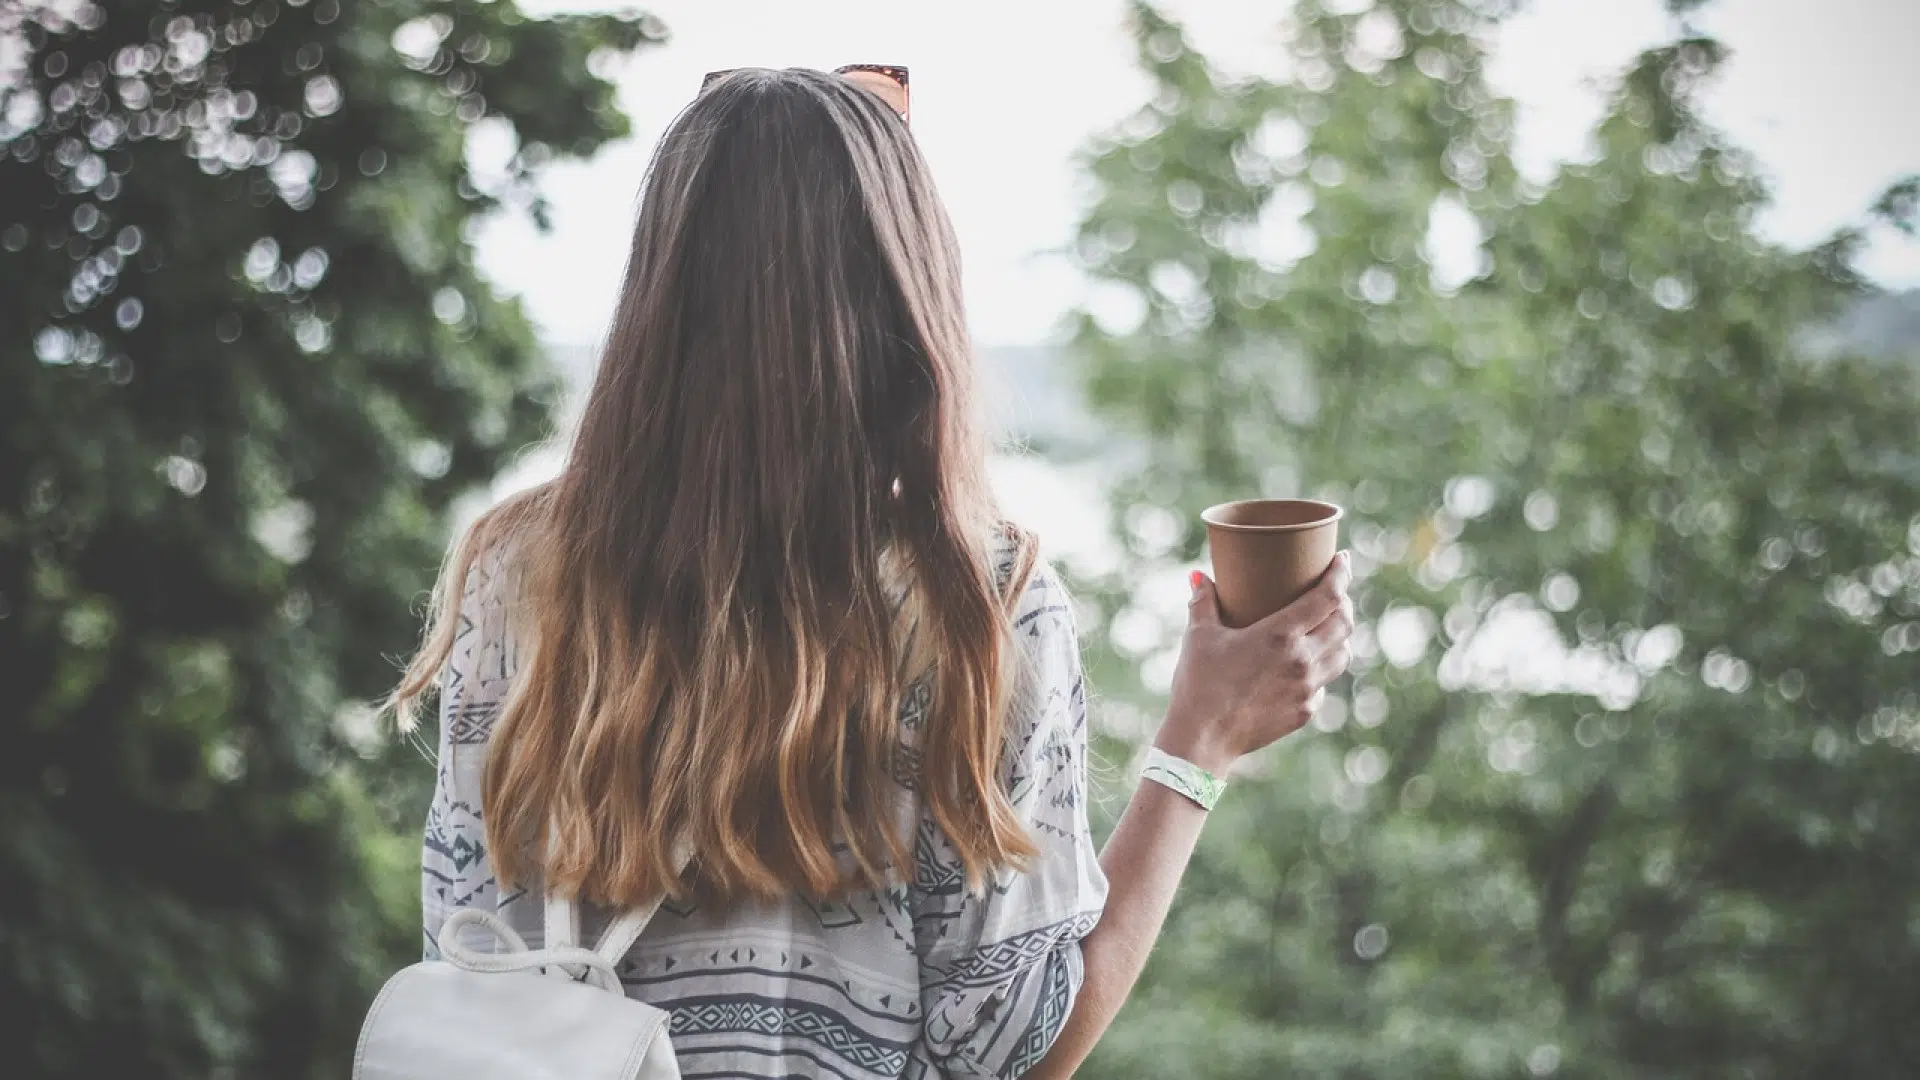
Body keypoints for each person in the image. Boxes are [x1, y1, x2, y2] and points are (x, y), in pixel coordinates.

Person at [387, 66, 1353, 1080]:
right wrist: (1199, 742)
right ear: (905, 297)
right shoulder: (975, 604)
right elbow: (1011, 1054)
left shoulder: (518, 573)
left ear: (661, 291)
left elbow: (472, 966)